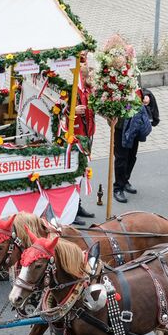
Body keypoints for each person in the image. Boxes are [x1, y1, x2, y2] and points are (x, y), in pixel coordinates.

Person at [114, 89, 157, 203]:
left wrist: (146, 96)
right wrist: (130, 107)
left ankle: (125, 180)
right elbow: (115, 105)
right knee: (121, 157)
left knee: (132, 156)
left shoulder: (133, 74)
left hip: (135, 123)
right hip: (121, 125)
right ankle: (118, 187)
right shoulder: (114, 78)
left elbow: (142, 91)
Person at [71, 60, 96, 224]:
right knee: (76, 175)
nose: (94, 79)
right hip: (76, 138)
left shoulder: (89, 91)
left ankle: (77, 207)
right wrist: (73, 110)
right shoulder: (74, 90)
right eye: (91, 76)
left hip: (87, 137)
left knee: (81, 174)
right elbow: (60, 110)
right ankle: (72, 211)